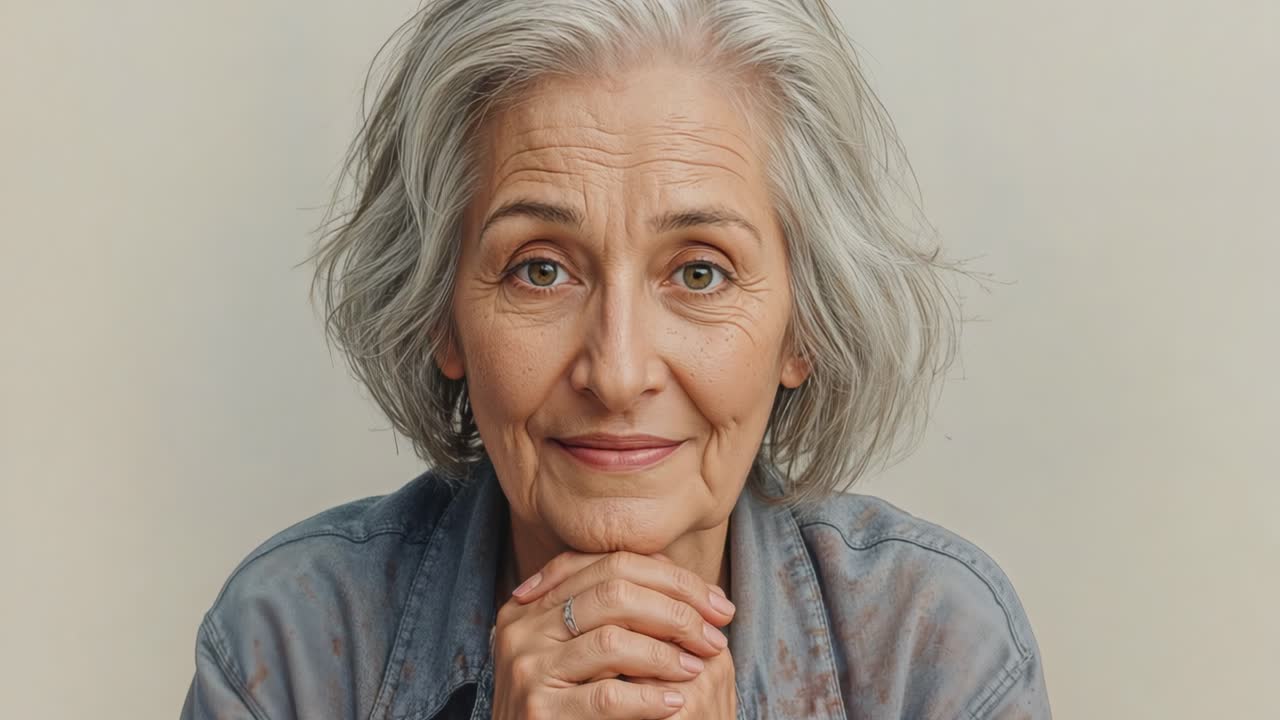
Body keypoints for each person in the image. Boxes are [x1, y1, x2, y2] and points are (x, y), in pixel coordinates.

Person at [180, 0, 1052, 717]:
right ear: (440, 314)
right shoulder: (287, 646)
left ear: (804, 326)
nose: (619, 370)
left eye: (700, 272)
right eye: (541, 269)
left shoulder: (935, 652)